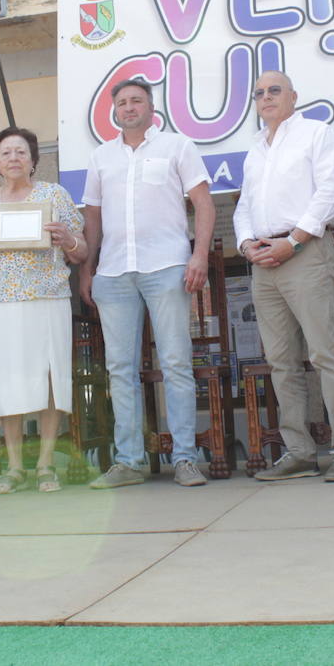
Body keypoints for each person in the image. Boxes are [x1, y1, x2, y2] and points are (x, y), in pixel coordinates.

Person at [80, 78, 215, 489]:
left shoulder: (177, 146)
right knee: (120, 369)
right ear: (114, 111)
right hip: (114, 272)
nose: (129, 107)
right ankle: (129, 462)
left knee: (175, 363)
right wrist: (87, 269)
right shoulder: (101, 157)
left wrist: (199, 255)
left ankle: (185, 458)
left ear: (151, 107)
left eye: (136, 100)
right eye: (122, 102)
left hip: (167, 266)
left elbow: (204, 204)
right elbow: (92, 218)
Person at [234, 71, 334, 483]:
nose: (266, 97)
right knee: (280, 362)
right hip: (263, 260)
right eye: (259, 93)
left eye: (274, 90)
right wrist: (245, 244)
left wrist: (292, 241)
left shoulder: (315, 133)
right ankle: (300, 453)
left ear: (293, 96)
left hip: (304, 251)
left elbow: (329, 194)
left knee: (325, 353)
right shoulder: (255, 148)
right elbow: (244, 206)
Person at [0, 127, 87, 494]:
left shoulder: (54, 196)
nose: (14, 158)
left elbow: (81, 251)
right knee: (7, 380)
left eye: (21, 152)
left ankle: (46, 464)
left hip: (47, 299)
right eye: (6, 153)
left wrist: (68, 239)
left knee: (49, 376)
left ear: (33, 161)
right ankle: (14, 466)